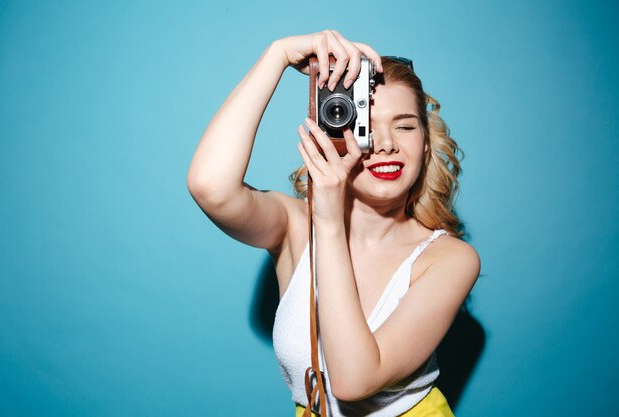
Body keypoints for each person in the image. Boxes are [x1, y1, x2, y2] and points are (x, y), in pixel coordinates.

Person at [187, 30, 480, 417]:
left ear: (425, 144)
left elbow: (354, 380)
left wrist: (328, 219)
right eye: (365, 126)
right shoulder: (294, 226)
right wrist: (278, 55)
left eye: (405, 126)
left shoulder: (450, 259)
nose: (386, 143)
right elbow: (210, 187)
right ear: (331, 131)